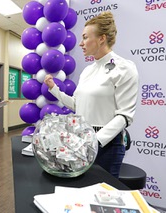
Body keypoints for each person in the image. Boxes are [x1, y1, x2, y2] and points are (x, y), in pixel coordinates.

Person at [44, 11, 138, 178]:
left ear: (101, 39)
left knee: (101, 197)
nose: (81, 43)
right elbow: (77, 104)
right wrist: (54, 90)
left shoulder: (125, 68)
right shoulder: (88, 70)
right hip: (80, 141)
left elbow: (124, 116)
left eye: (85, 37)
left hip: (106, 147)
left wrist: (93, 141)